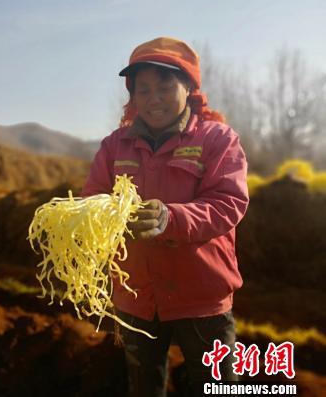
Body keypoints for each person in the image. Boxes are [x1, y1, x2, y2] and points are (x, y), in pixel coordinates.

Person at [82, 37, 249, 396]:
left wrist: (170, 218)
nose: (153, 98)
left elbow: (228, 202)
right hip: (137, 295)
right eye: (143, 90)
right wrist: (101, 218)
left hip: (201, 294)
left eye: (164, 87)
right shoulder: (115, 145)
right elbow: (93, 198)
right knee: (144, 386)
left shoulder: (217, 140)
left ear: (188, 87)